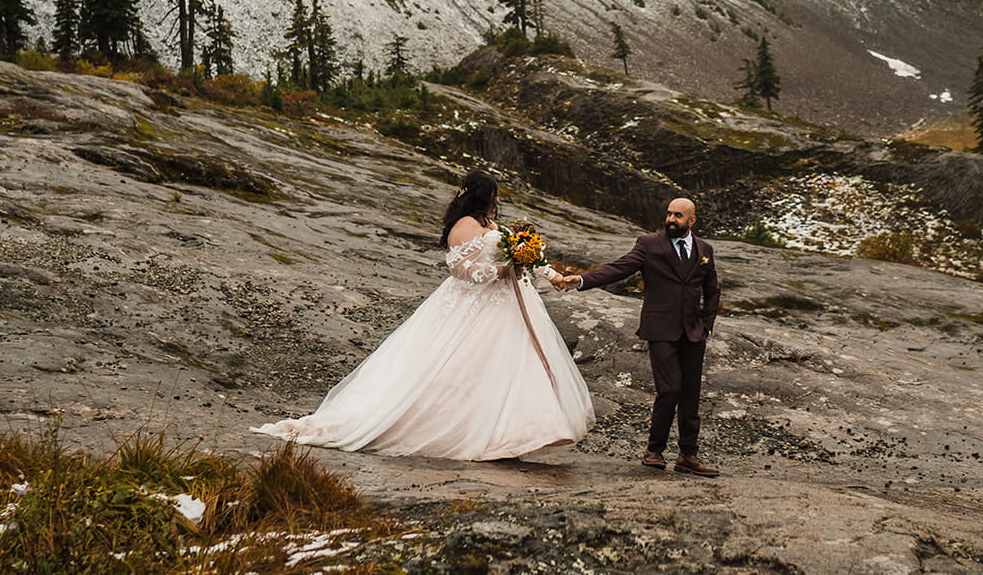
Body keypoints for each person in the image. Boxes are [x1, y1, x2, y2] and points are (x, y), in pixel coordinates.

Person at [253, 171, 593, 460]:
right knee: (465, 366)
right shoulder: (462, 226)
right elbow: (459, 269)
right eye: (494, 196)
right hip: (474, 306)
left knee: (517, 364)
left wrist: (553, 276)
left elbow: (525, 254)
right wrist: (500, 273)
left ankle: (528, 430)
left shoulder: (491, 224)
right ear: (484, 197)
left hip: (509, 305)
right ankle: (477, 431)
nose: (497, 202)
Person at [555, 196, 721, 476]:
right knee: (669, 390)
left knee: (691, 395)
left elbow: (712, 289)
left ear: (691, 221)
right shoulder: (649, 244)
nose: (671, 219)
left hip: (693, 333)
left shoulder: (705, 249)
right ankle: (654, 451)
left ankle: (688, 456)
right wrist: (581, 280)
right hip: (660, 330)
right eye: (669, 213)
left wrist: (707, 324)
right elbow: (618, 268)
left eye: (678, 216)